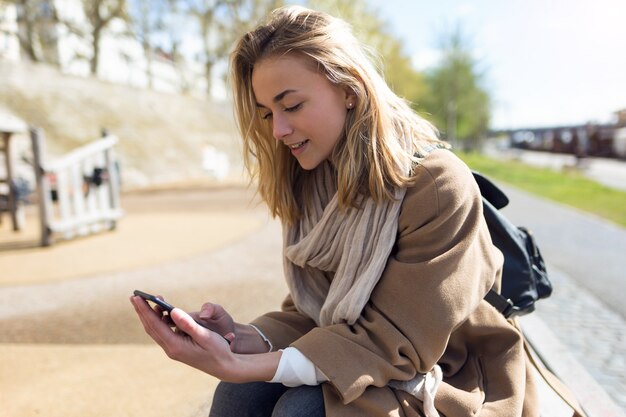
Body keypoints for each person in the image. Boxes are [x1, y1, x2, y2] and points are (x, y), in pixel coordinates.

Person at [130, 5, 539, 417]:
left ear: (349, 89)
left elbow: (397, 342)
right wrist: (242, 337)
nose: (277, 130)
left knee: (302, 410)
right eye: (268, 113)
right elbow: (317, 312)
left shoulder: (436, 185)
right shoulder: (316, 181)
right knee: (238, 395)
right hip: (367, 354)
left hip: (452, 373)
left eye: (291, 106)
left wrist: (243, 364)